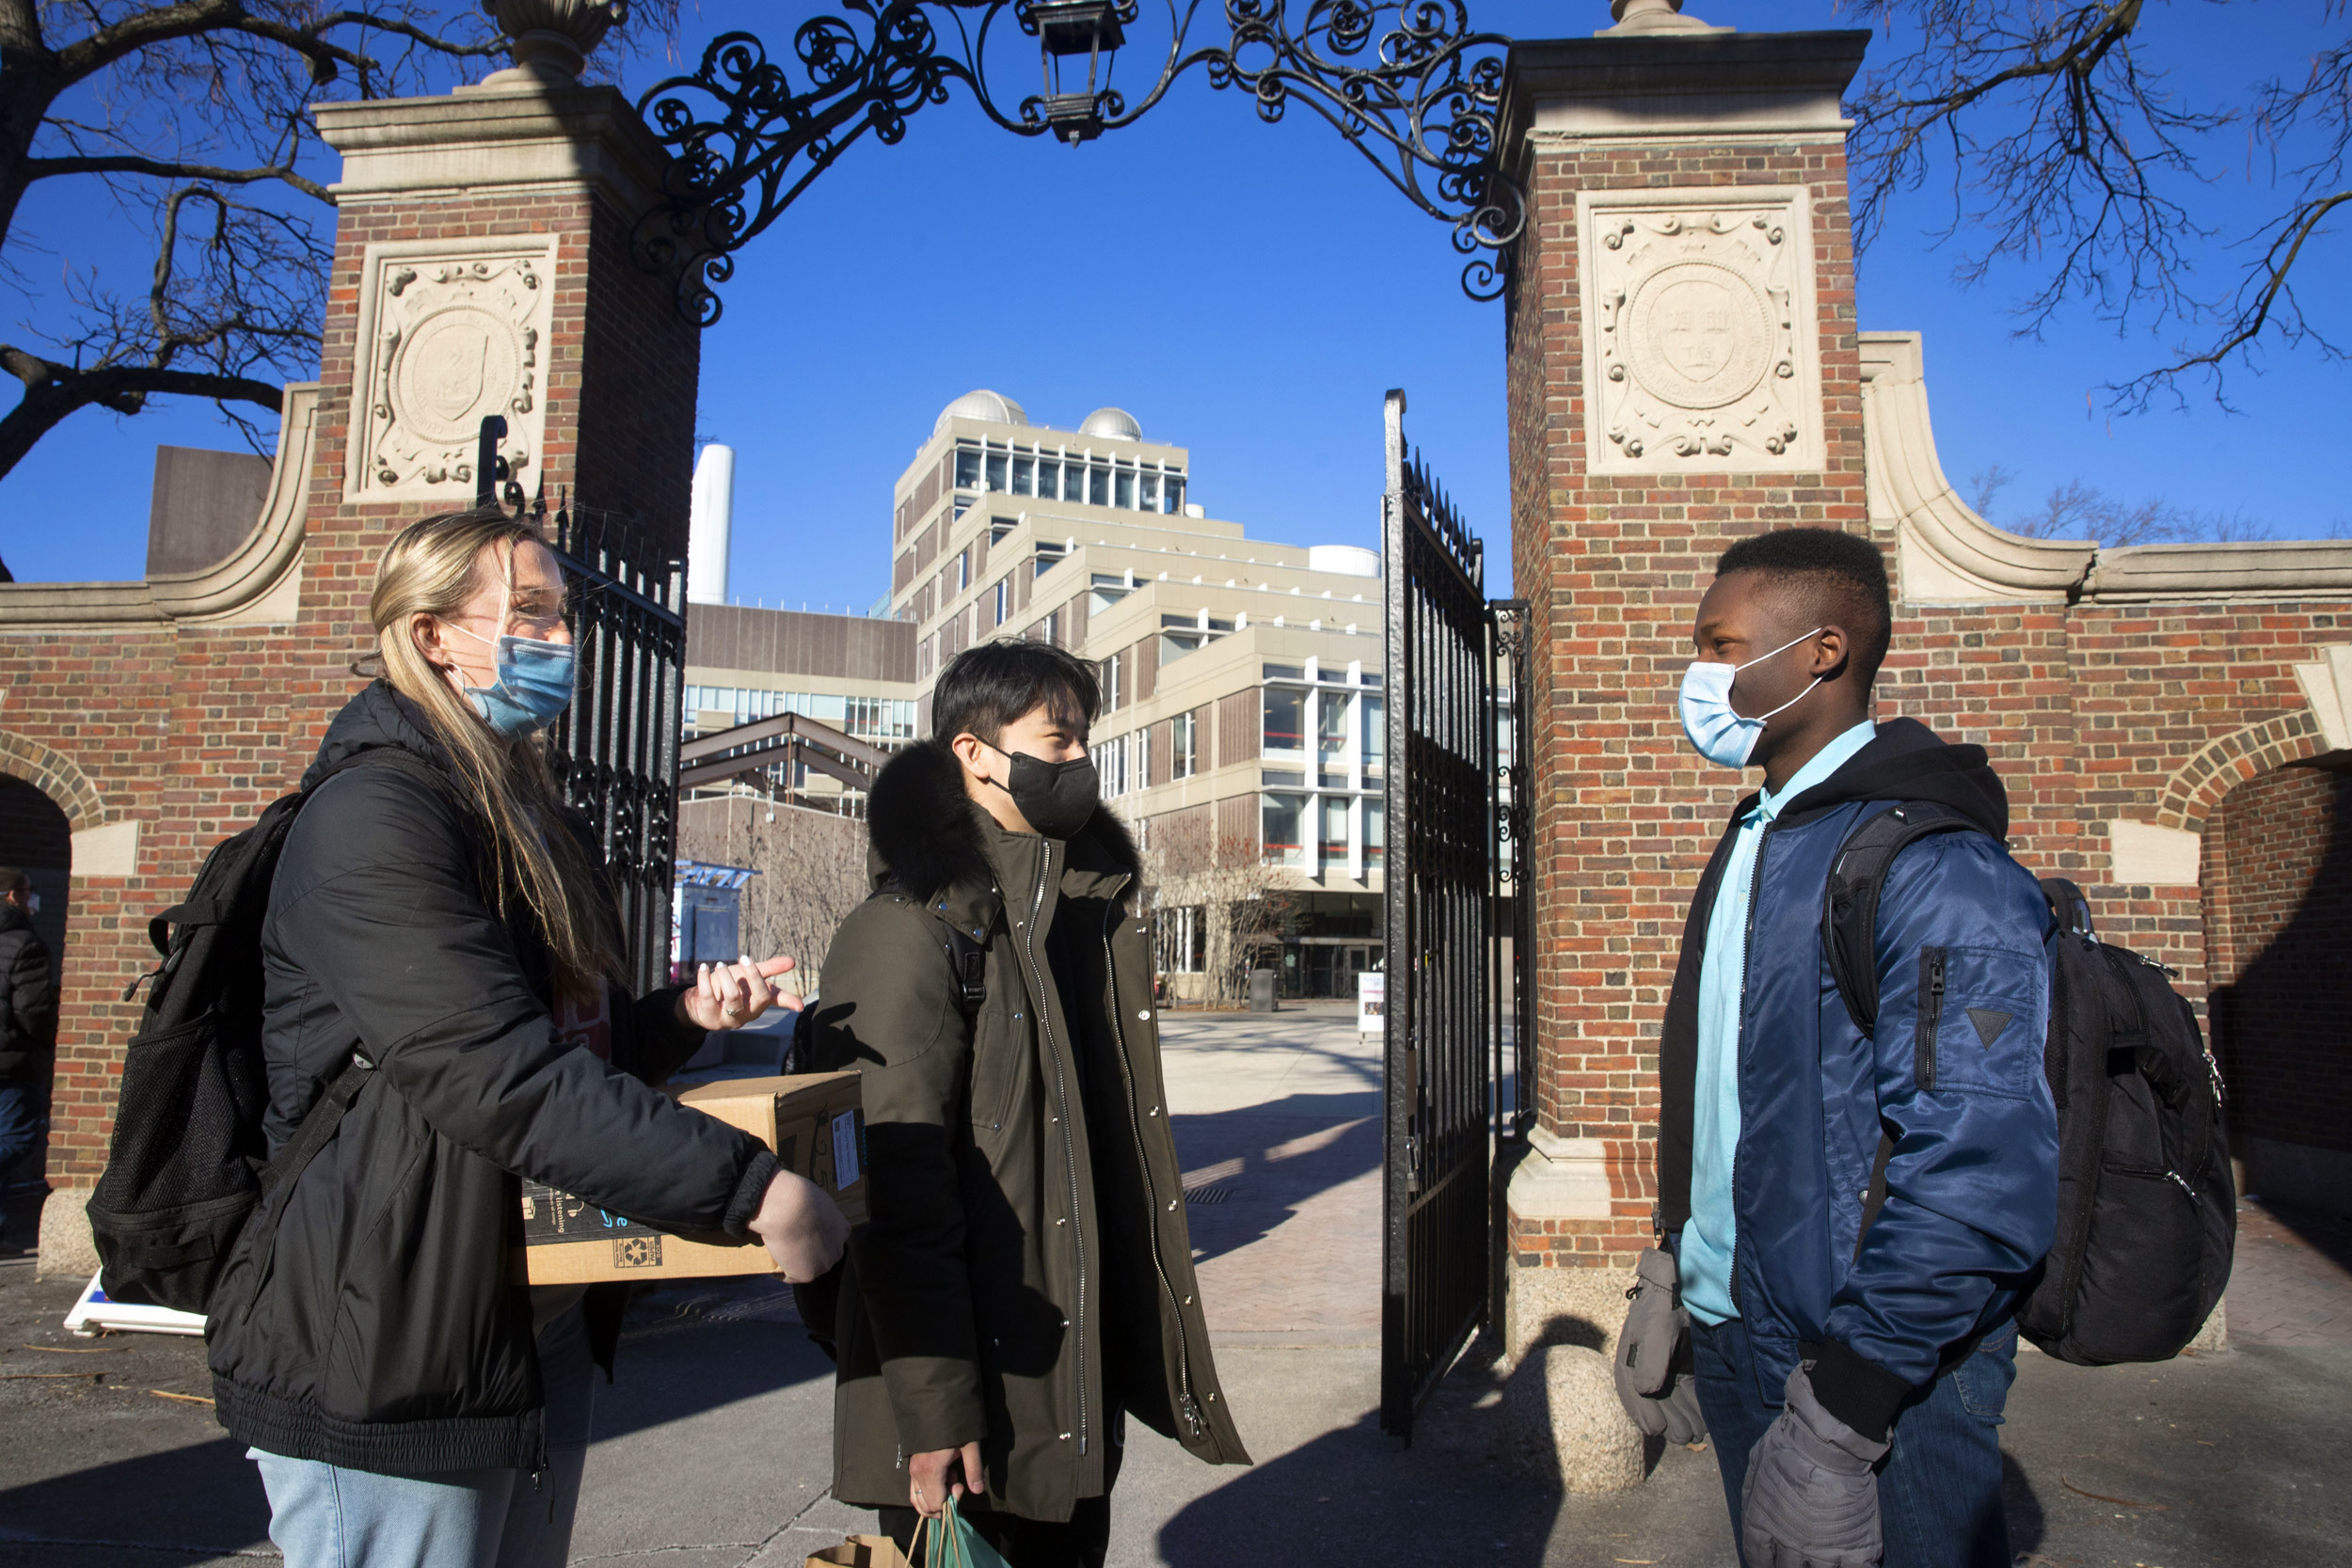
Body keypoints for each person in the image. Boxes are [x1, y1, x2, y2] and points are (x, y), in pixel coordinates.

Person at [204, 508, 851, 1568]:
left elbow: (562, 1047)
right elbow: (490, 1071)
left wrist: (679, 1017)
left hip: (522, 1314)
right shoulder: (376, 813)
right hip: (390, 1329)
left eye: (566, 615)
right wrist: (751, 1188)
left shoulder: (526, 807)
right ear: (430, 635)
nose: (561, 640)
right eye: (531, 613)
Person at [1655, 528, 2058, 1568]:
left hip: (1873, 1369)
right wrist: (1674, 1275)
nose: (1697, 674)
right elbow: (1727, 1099)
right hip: (1746, 1331)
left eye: (1719, 642)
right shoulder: (1756, 836)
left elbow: (1979, 1163)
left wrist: (1848, 1405)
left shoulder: (1935, 867)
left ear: (1820, 653)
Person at [808, 640, 1248, 1567]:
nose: (1078, 762)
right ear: (973, 753)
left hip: (1066, 1382)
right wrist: (932, 1409)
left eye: (1085, 739)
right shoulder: (908, 932)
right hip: (974, 1409)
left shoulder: (1076, 915)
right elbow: (896, 1191)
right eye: (1059, 739)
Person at [0, 868, 57, 1199]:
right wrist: (50, 1045)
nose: (30, 898)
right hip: (13, 1062)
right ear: (12, 896)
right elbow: (34, 1011)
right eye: (27, 891)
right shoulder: (25, 944)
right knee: (17, 1141)